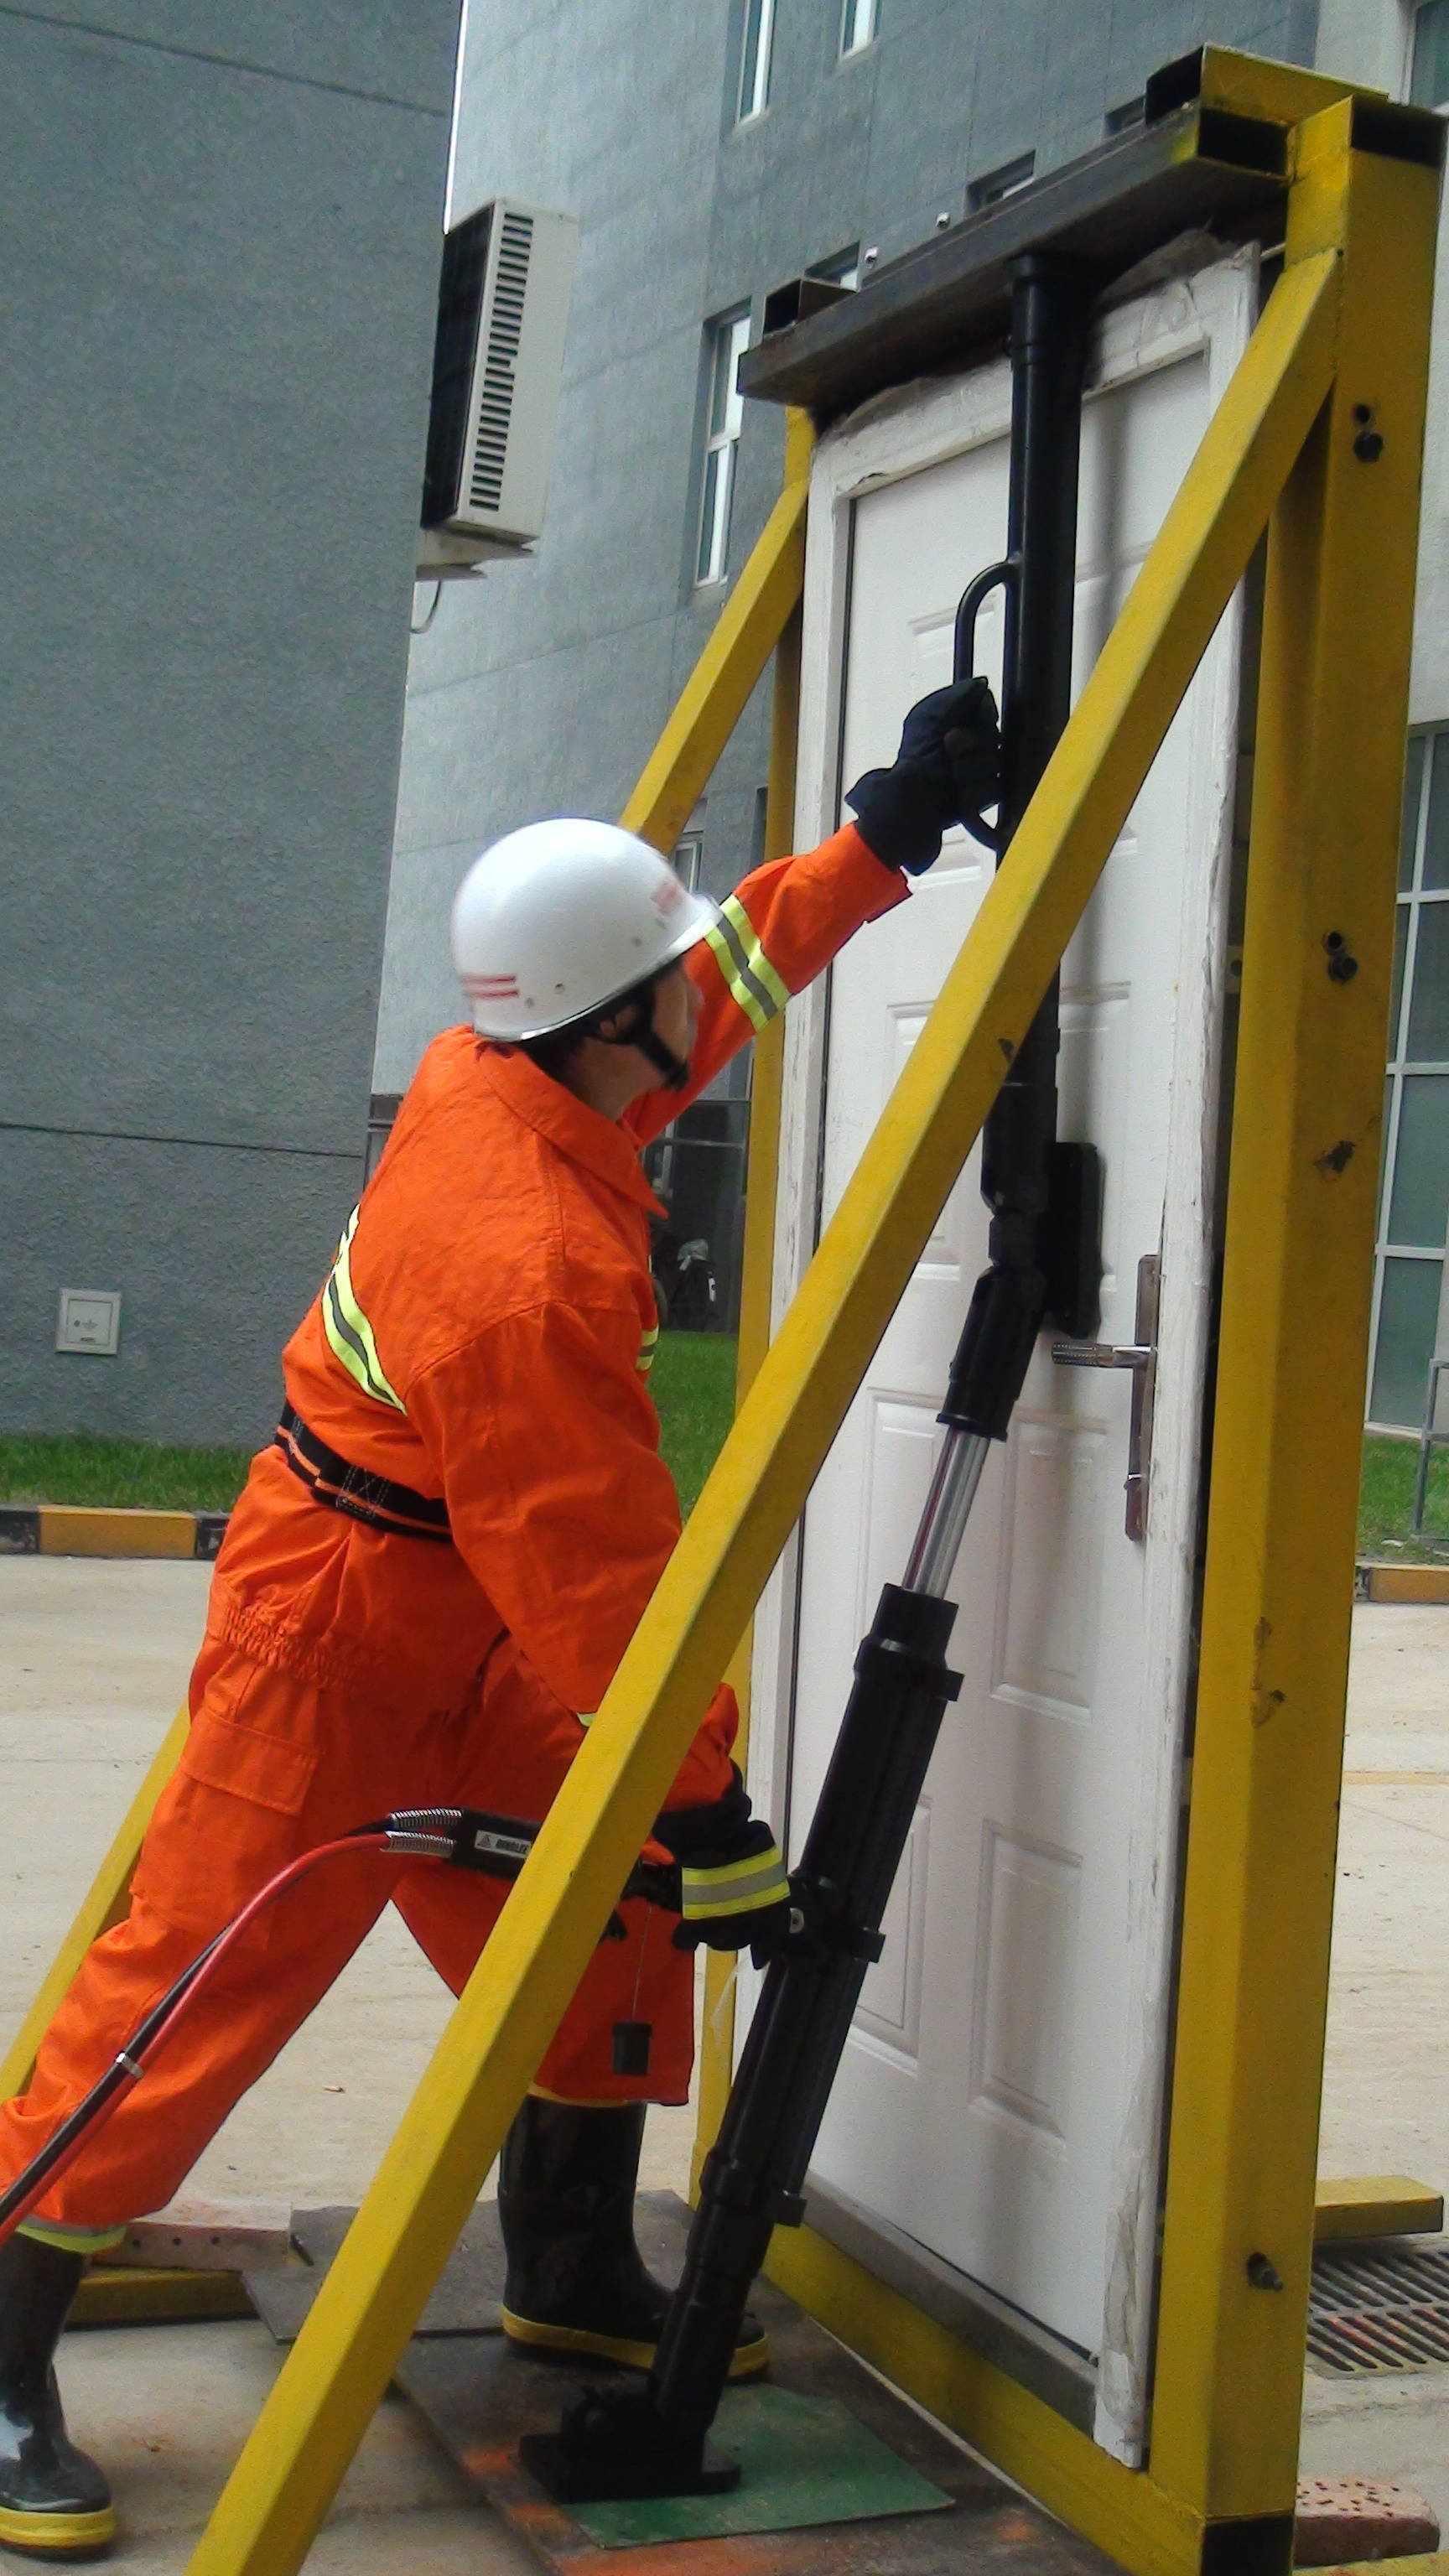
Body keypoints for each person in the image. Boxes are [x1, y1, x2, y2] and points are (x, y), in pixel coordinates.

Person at [0, 677, 999, 2555]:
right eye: (670, 988)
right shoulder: (521, 1262)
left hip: (475, 1608)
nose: (699, 1006)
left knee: (615, 1911)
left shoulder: (542, 1058)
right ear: (605, 1020)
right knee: (196, 1988)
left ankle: (566, 2260)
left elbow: (723, 983)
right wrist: (707, 1807)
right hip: (347, 1631)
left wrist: (879, 839)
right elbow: (598, 1580)